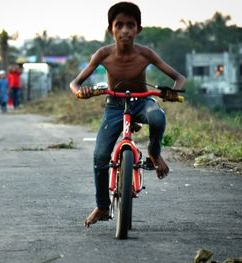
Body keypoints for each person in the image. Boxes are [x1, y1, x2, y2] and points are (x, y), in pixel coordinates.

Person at [69, 2, 186, 227]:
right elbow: (75, 83)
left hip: (141, 101)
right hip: (114, 106)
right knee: (100, 156)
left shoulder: (145, 53)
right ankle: (103, 206)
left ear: (138, 29)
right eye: (119, 25)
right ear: (110, 29)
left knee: (157, 117)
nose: (125, 30)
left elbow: (179, 77)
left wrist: (174, 91)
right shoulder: (103, 54)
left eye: (130, 25)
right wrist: (81, 92)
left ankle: (154, 152)